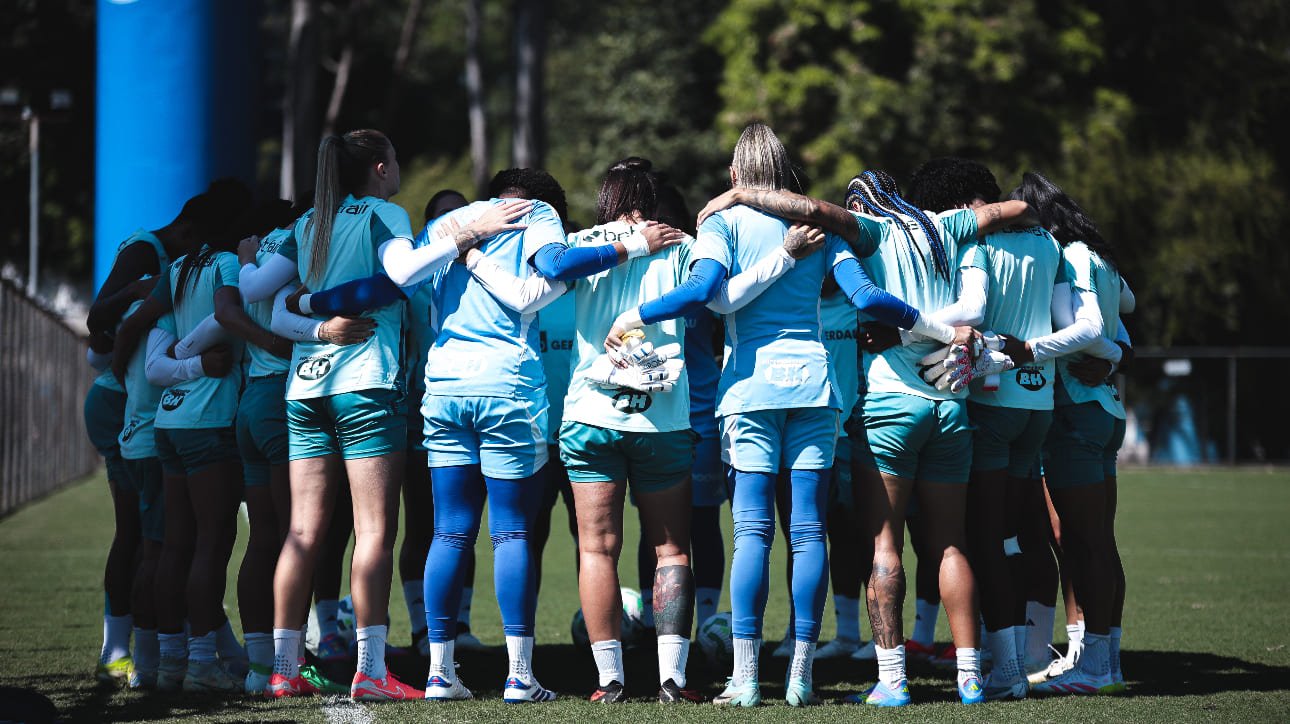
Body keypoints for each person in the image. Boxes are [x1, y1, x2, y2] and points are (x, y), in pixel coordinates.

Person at [602, 123, 973, 707]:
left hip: (750, 388)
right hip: (815, 386)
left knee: (752, 530)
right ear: (786, 172)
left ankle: (746, 679)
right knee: (807, 532)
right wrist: (939, 329)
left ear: (734, 174)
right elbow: (870, 300)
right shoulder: (821, 228)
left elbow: (710, 296)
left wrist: (635, 315)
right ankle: (800, 675)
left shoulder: (721, 221)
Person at [406, 167, 683, 703]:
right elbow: (534, 288)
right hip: (506, 386)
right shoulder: (540, 218)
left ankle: (439, 673)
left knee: (448, 532)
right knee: (512, 532)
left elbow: (398, 276)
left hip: (442, 385)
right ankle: (518, 676)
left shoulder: (450, 221)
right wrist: (632, 242)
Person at [254, 129, 480, 701]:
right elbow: (403, 273)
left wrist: (312, 321)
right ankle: (371, 670)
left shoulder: (307, 224)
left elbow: (262, 295)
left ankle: (283, 670)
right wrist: (463, 237)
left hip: (305, 386)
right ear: (380, 168)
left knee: (301, 530)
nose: (400, 170)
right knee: (374, 529)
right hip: (365, 382)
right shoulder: (385, 212)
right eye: (398, 161)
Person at [551, 158, 705, 704]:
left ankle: (609, 681)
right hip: (662, 420)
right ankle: (672, 680)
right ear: (650, 202)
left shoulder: (587, 241)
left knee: (597, 550)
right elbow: (711, 290)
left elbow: (552, 267)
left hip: (591, 415)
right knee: (671, 552)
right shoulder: (682, 245)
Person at [83, 185, 236, 683]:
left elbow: (137, 338)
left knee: (165, 542)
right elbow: (108, 321)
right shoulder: (158, 255)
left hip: (153, 416)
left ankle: (159, 659)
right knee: (173, 542)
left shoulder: (177, 269)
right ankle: (148, 659)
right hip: (148, 415)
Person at [1015, 171, 1133, 696]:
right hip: (1101, 410)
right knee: (1095, 543)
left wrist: (1028, 349)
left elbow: (1089, 329)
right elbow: (1122, 313)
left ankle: (1099, 668)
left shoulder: (1070, 256)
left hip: (1077, 414)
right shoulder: (1099, 259)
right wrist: (1115, 356)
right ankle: (1102, 660)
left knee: (1086, 545)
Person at [149, 221, 269, 692]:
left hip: (169, 418)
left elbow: (156, 350)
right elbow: (226, 316)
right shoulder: (225, 264)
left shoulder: (178, 269)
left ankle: (169, 661)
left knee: (175, 544)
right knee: (211, 544)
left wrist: (185, 357)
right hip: (211, 418)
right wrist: (198, 356)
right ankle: (201, 662)